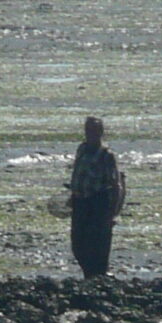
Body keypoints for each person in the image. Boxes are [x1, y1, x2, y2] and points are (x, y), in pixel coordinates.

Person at [66, 115, 126, 278]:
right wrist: (72, 195)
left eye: (93, 131)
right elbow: (77, 172)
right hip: (80, 201)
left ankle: (99, 275)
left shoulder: (107, 155)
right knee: (78, 243)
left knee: (97, 243)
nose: (90, 134)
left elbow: (116, 184)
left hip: (98, 202)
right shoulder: (82, 149)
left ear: (100, 132)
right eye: (88, 130)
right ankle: (90, 273)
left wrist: (114, 211)